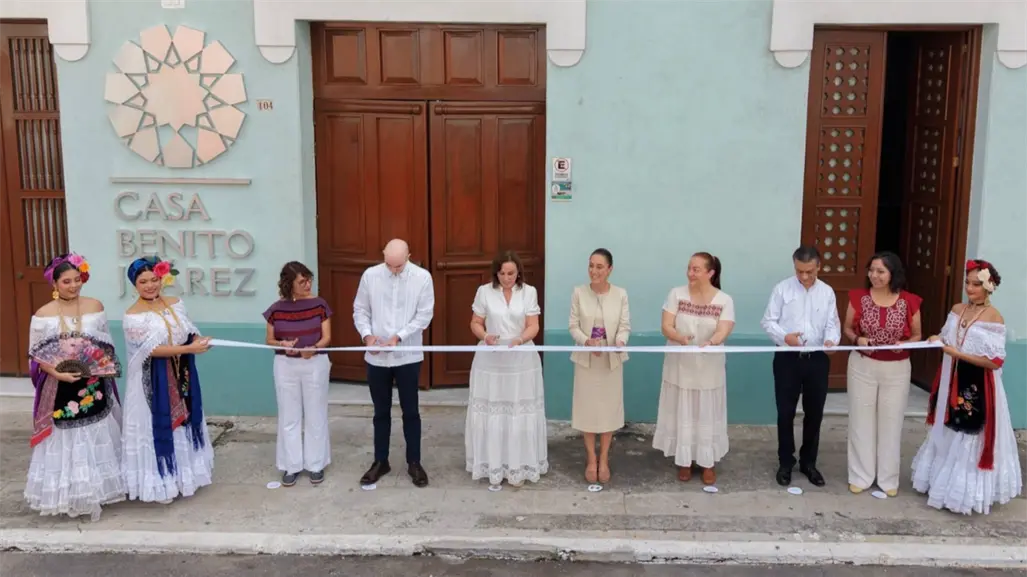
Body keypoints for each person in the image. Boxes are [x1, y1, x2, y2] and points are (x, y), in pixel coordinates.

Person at [911, 259, 1022, 515]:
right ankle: (940, 482)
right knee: (948, 426)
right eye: (967, 283)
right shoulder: (958, 309)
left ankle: (965, 494)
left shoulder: (994, 317)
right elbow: (947, 337)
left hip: (979, 382)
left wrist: (956, 353)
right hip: (953, 376)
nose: (969, 288)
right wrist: (936, 339)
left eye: (975, 284)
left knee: (970, 430)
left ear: (988, 287)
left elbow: (994, 362)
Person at [25, 253, 126, 521]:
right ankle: (71, 494)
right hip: (58, 385)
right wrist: (56, 371)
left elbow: (107, 346)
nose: (74, 285)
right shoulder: (43, 315)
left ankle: (98, 490)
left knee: (98, 432)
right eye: (67, 281)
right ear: (54, 284)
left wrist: (98, 365)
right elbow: (36, 355)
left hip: (94, 381)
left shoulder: (95, 306)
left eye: (77, 280)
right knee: (66, 437)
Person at [121, 256, 214, 503]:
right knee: (158, 425)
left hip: (181, 372)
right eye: (143, 282)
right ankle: (162, 483)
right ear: (135, 285)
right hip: (152, 381)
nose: (150, 285)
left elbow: (187, 332)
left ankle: (186, 477)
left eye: (154, 279)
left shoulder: (176, 303)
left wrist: (197, 341)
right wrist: (187, 350)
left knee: (184, 422)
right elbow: (150, 351)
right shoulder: (133, 316)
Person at [353, 239, 435, 487]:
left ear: (409, 256)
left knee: (411, 411)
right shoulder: (371, 275)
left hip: (407, 355)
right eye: (390, 265)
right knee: (380, 412)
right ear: (383, 257)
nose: (394, 270)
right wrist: (367, 335)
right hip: (377, 357)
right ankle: (381, 460)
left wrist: (398, 337)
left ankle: (414, 462)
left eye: (399, 266)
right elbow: (360, 309)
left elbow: (424, 315)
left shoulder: (422, 277)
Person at [465, 251, 547, 487]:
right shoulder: (484, 291)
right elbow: (475, 322)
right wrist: (485, 336)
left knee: (519, 410)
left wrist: (520, 340)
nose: (506, 278)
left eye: (511, 273)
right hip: (490, 360)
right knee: (492, 410)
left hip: (521, 360)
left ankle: (520, 464)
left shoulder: (529, 292)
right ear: (496, 273)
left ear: (518, 272)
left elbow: (533, 325)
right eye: (502, 273)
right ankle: (492, 465)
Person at [842, 251, 922, 496]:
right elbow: (847, 328)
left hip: (897, 369)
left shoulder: (910, 301)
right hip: (863, 365)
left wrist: (907, 343)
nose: (874, 275)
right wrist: (858, 338)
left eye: (881, 271)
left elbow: (917, 334)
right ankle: (860, 475)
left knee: (891, 421)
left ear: (892, 274)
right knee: (860, 420)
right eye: (872, 270)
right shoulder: (858, 298)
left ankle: (888, 480)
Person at [760, 245, 839, 487]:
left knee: (814, 413)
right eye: (799, 271)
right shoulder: (782, 289)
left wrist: (831, 341)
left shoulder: (827, 292)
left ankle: (809, 463)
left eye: (809, 272)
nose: (804, 277)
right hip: (787, 359)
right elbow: (768, 321)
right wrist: (785, 337)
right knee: (785, 412)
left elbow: (832, 323)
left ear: (818, 267)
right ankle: (786, 462)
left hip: (816, 359)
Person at [654, 252, 735, 485]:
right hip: (680, 367)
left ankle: (707, 462)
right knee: (683, 410)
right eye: (689, 268)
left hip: (709, 368)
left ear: (711, 273)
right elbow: (666, 326)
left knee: (706, 412)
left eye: (696, 269)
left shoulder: (724, 300)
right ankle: (685, 460)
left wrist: (713, 341)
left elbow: (724, 329)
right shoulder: (676, 294)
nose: (690, 273)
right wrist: (679, 337)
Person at [263, 261, 333, 487]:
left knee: (316, 414)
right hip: (285, 364)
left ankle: (316, 465)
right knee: (289, 415)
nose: (308, 284)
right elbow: (270, 340)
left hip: (315, 363)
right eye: (302, 281)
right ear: (288, 284)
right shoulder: (276, 309)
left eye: (309, 279)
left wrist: (313, 349)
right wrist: (284, 344)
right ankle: (290, 466)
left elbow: (326, 337)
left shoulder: (320, 304)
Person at [569, 248, 631, 484]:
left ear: (609, 270)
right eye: (591, 266)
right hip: (587, 360)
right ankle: (590, 458)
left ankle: (604, 458)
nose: (593, 271)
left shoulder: (620, 294)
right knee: (587, 410)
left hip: (610, 361)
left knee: (608, 411)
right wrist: (587, 341)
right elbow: (573, 326)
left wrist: (620, 341)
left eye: (599, 267)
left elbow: (625, 325)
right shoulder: (578, 293)